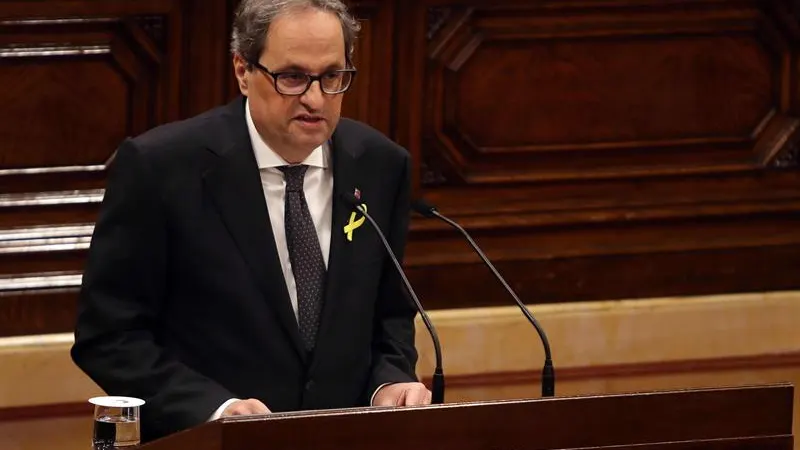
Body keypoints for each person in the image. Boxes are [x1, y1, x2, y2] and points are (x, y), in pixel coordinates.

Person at [70, 0, 431, 442]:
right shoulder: (162, 168)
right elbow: (109, 336)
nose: (315, 99)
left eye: (333, 77)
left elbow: (390, 315)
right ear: (243, 71)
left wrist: (389, 381)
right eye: (293, 77)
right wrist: (214, 409)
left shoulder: (381, 165)